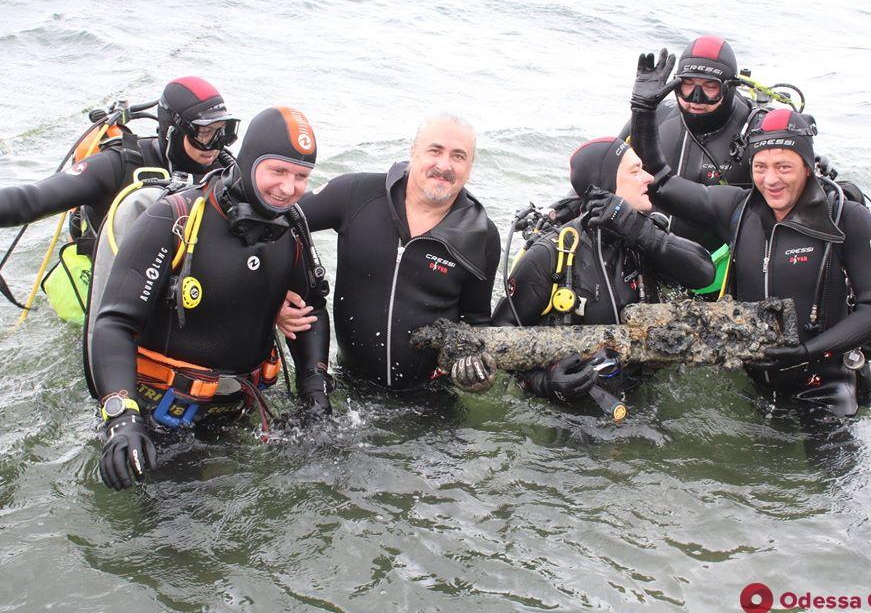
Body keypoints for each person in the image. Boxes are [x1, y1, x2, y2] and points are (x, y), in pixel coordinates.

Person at [629, 49, 871, 416]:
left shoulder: (847, 219)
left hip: (825, 386)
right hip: (757, 383)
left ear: (807, 166)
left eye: (784, 166)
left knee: (833, 476)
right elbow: (659, 180)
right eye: (761, 166)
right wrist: (643, 112)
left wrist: (807, 352)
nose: (771, 180)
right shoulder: (736, 208)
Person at [89, 106, 332, 490]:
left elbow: (311, 308)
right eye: (277, 171)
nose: (289, 188)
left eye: (301, 176)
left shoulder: (291, 226)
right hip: (162, 415)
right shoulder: (173, 218)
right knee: (178, 541)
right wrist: (122, 418)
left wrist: (315, 395)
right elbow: (115, 323)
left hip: (240, 409)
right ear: (249, 161)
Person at [484, 137, 715, 402]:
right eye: (635, 170)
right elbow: (500, 335)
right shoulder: (552, 253)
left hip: (645, 393)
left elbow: (704, 274)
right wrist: (542, 383)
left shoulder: (644, 236)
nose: (649, 177)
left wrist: (641, 231)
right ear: (604, 185)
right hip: (575, 408)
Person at [292, 113, 501, 391]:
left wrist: (477, 371)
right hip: (350, 385)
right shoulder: (356, 194)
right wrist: (279, 293)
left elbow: (475, 320)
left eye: (458, 156)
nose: (444, 165)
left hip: (429, 395)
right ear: (413, 152)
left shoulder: (481, 234)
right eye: (435, 151)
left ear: (470, 166)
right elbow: (281, 221)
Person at [0, 76, 238, 231]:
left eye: (222, 132)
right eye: (204, 133)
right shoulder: (119, 166)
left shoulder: (225, 173)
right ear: (173, 131)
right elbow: (30, 200)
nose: (216, 145)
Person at [617, 36, 759, 255]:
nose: (696, 98)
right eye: (687, 85)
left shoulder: (755, 131)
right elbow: (604, 166)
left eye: (710, 87)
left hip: (714, 274)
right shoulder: (655, 115)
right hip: (643, 254)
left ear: (729, 88)